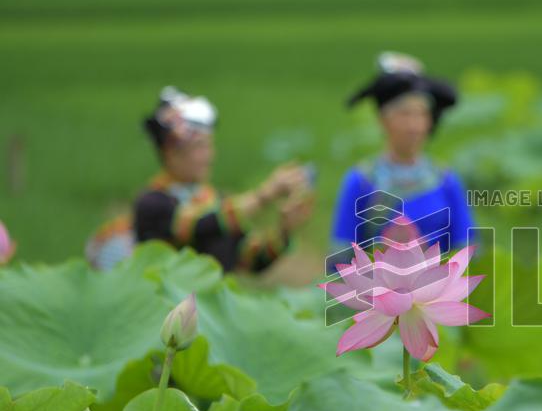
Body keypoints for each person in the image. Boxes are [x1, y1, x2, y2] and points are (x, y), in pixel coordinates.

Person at [109, 86, 312, 273]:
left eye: (208, 146)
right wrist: (265, 195)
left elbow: (249, 260)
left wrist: (284, 231)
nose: (208, 156)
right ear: (171, 153)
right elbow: (201, 226)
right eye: (198, 147)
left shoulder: (215, 200)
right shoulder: (152, 203)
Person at [330, 53, 475, 257]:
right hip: (375, 287)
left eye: (421, 115)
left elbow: (467, 248)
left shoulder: (445, 180)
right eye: (404, 114)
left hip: (436, 286)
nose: (413, 126)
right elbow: (340, 255)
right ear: (383, 120)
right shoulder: (361, 181)